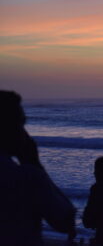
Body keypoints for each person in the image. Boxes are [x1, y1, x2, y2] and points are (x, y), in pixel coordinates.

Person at [0, 90, 76, 246]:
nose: (24, 133)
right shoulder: (25, 177)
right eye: (20, 124)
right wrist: (34, 163)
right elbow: (66, 221)